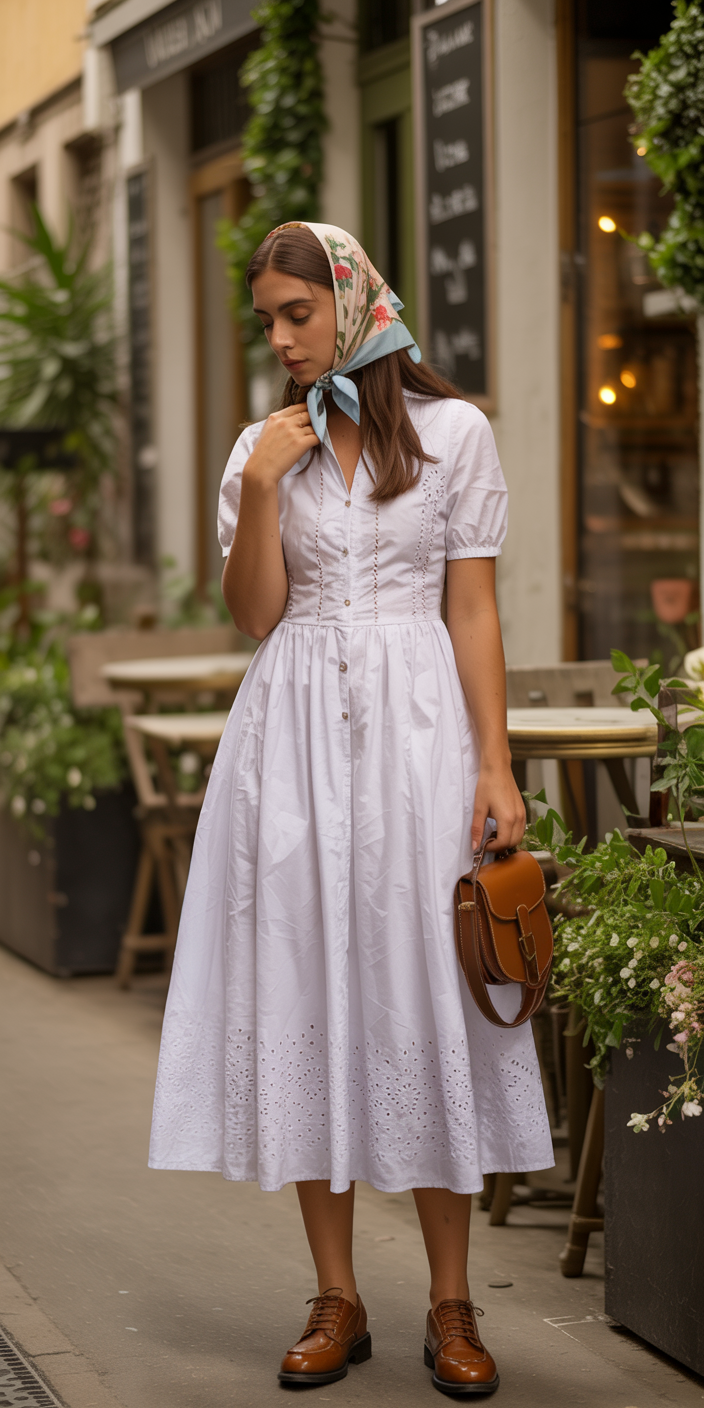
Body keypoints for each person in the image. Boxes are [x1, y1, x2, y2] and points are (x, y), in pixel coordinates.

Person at [149, 222, 553, 1396]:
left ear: (351, 303)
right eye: (266, 320)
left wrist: (495, 764)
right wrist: (266, 482)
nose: (278, 339)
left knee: (424, 993)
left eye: (294, 314)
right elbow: (252, 613)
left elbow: (471, 612)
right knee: (305, 987)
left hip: (418, 733)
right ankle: (336, 1297)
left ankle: (451, 1302)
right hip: (289, 740)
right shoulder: (263, 445)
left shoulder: (453, 432)